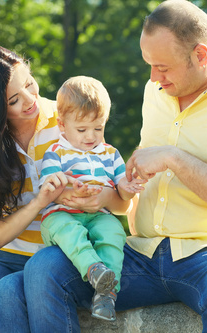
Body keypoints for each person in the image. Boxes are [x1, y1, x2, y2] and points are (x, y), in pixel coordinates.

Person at [0, 1, 207, 332]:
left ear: (201, 56)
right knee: (44, 268)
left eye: (162, 67)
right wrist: (105, 192)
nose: (153, 77)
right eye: (150, 65)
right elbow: (137, 173)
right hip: (141, 253)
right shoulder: (157, 89)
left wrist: (172, 158)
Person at [0, 43, 130, 332]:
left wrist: (96, 196)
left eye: (29, 84)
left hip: (56, 254)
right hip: (2, 256)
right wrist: (39, 201)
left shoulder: (69, 119)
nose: (30, 100)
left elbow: (117, 195)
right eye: (13, 101)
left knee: (8, 294)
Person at [39, 76, 146, 321]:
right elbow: (48, 187)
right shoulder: (56, 153)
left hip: (99, 215)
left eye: (98, 128)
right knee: (68, 231)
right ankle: (94, 269)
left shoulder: (110, 153)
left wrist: (129, 187)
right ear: (62, 125)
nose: (91, 136)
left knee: (114, 233)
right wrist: (69, 187)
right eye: (82, 129)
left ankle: (107, 293)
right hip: (62, 214)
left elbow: (122, 190)